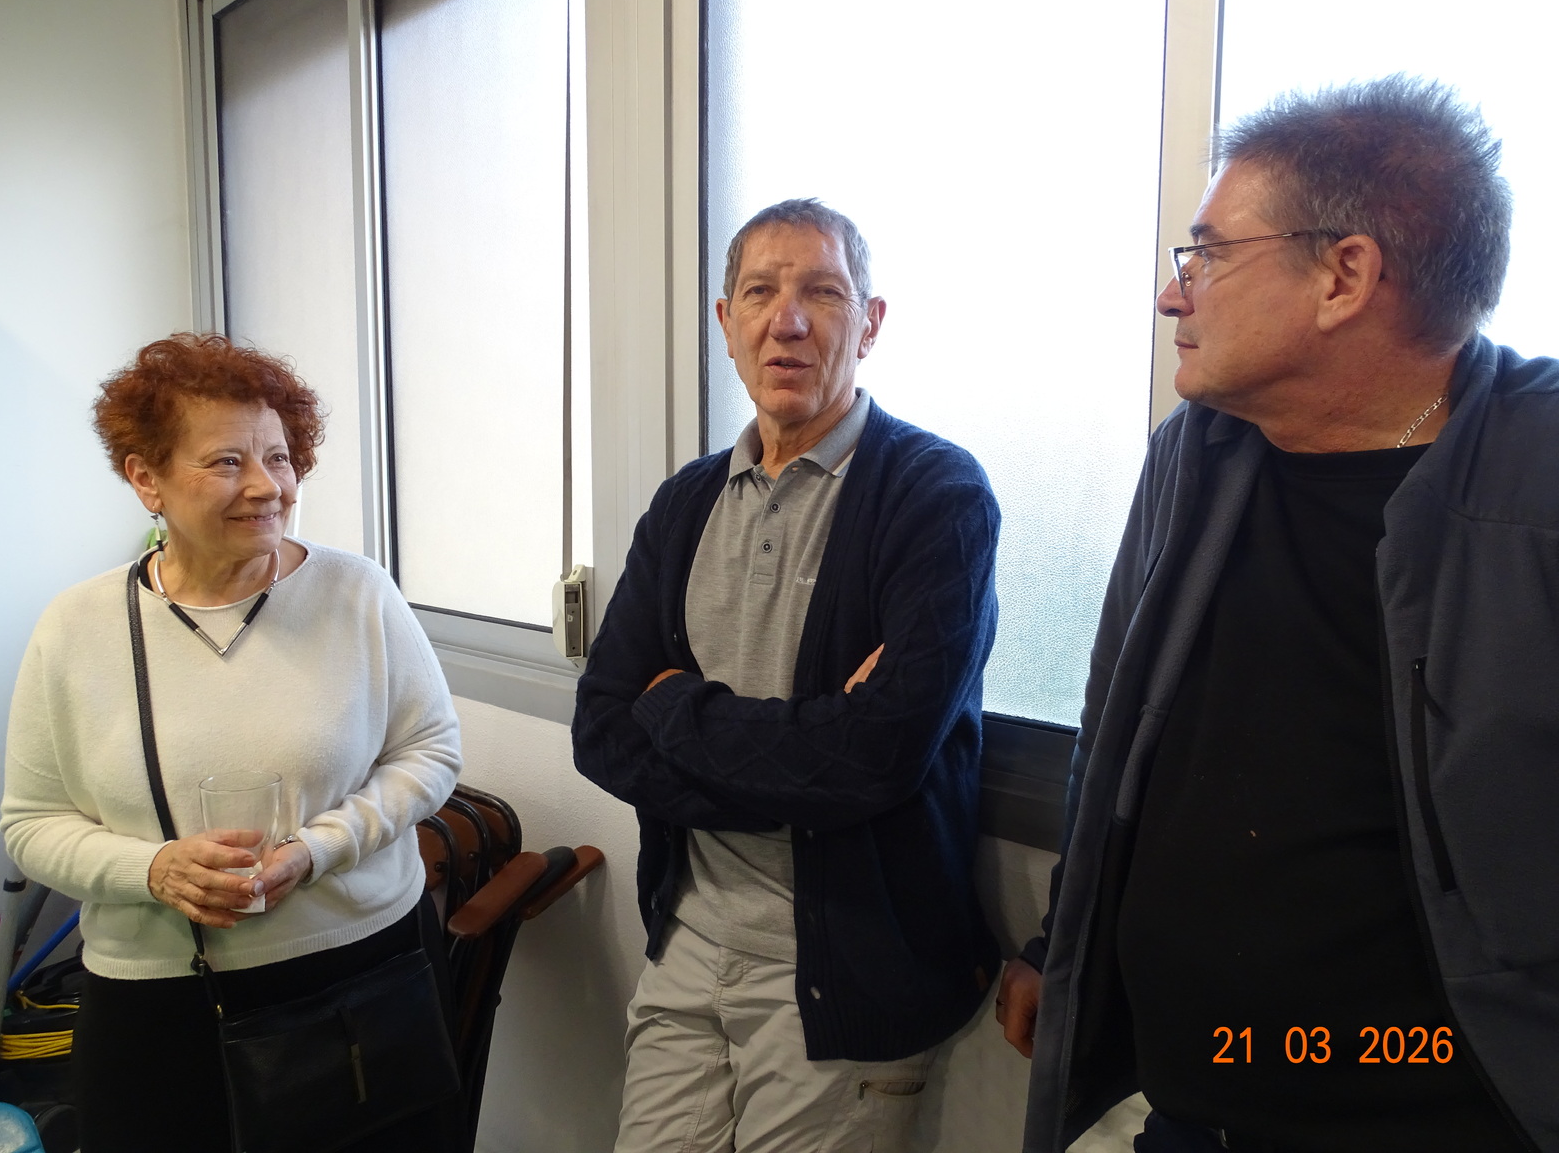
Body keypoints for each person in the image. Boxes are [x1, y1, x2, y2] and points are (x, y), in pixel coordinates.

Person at [997, 76, 1558, 1153]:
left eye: (1208, 255)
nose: (1174, 295)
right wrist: (1060, 941)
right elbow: (1116, 728)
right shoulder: (1195, 455)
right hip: (1192, 1115)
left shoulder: (1531, 486)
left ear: (1344, 276)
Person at [573, 198, 1001, 1153]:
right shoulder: (685, 502)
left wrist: (673, 705)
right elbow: (600, 728)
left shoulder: (936, 495)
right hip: (687, 944)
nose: (789, 320)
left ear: (870, 323)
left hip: (844, 973)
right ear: (727, 323)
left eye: (824, 293)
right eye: (761, 293)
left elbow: (878, 758)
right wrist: (807, 757)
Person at [0, 333, 464, 1153]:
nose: (266, 485)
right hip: (158, 1003)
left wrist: (317, 850)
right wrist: (153, 869)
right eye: (226, 462)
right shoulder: (76, 627)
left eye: (279, 457)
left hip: (358, 976)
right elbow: (31, 823)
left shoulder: (356, 594)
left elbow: (430, 751)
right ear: (146, 478)